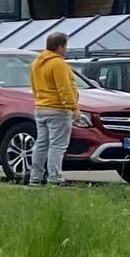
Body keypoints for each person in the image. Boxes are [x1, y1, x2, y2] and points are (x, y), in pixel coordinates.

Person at [27, 30, 78, 186]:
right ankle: (55, 177)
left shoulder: (36, 63)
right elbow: (65, 88)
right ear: (59, 47)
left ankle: (35, 177)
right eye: (65, 47)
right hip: (58, 109)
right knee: (58, 145)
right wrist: (73, 107)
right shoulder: (58, 63)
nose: (66, 50)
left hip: (41, 107)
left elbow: (34, 86)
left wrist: (39, 101)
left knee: (41, 144)